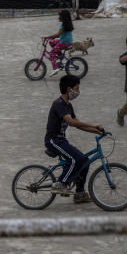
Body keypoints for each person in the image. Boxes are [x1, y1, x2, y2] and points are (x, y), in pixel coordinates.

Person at [45, 74, 105, 204]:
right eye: (77, 88)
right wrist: (93, 124)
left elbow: (77, 123)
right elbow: (71, 122)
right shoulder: (59, 104)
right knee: (77, 159)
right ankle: (61, 183)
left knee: (84, 162)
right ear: (69, 89)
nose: (78, 92)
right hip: (53, 140)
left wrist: (96, 131)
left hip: (61, 140)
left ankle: (79, 193)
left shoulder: (68, 105)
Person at [42, 9, 75, 75]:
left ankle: (55, 68)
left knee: (51, 53)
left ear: (63, 17)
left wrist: (48, 37)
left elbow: (58, 34)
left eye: (60, 16)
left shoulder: (63, 25)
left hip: (64, 43)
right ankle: (60, 56)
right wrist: (52, 37)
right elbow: (60, 35)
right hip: (66, 41)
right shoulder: (68, 24)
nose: (58, 17)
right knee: (52, 42)